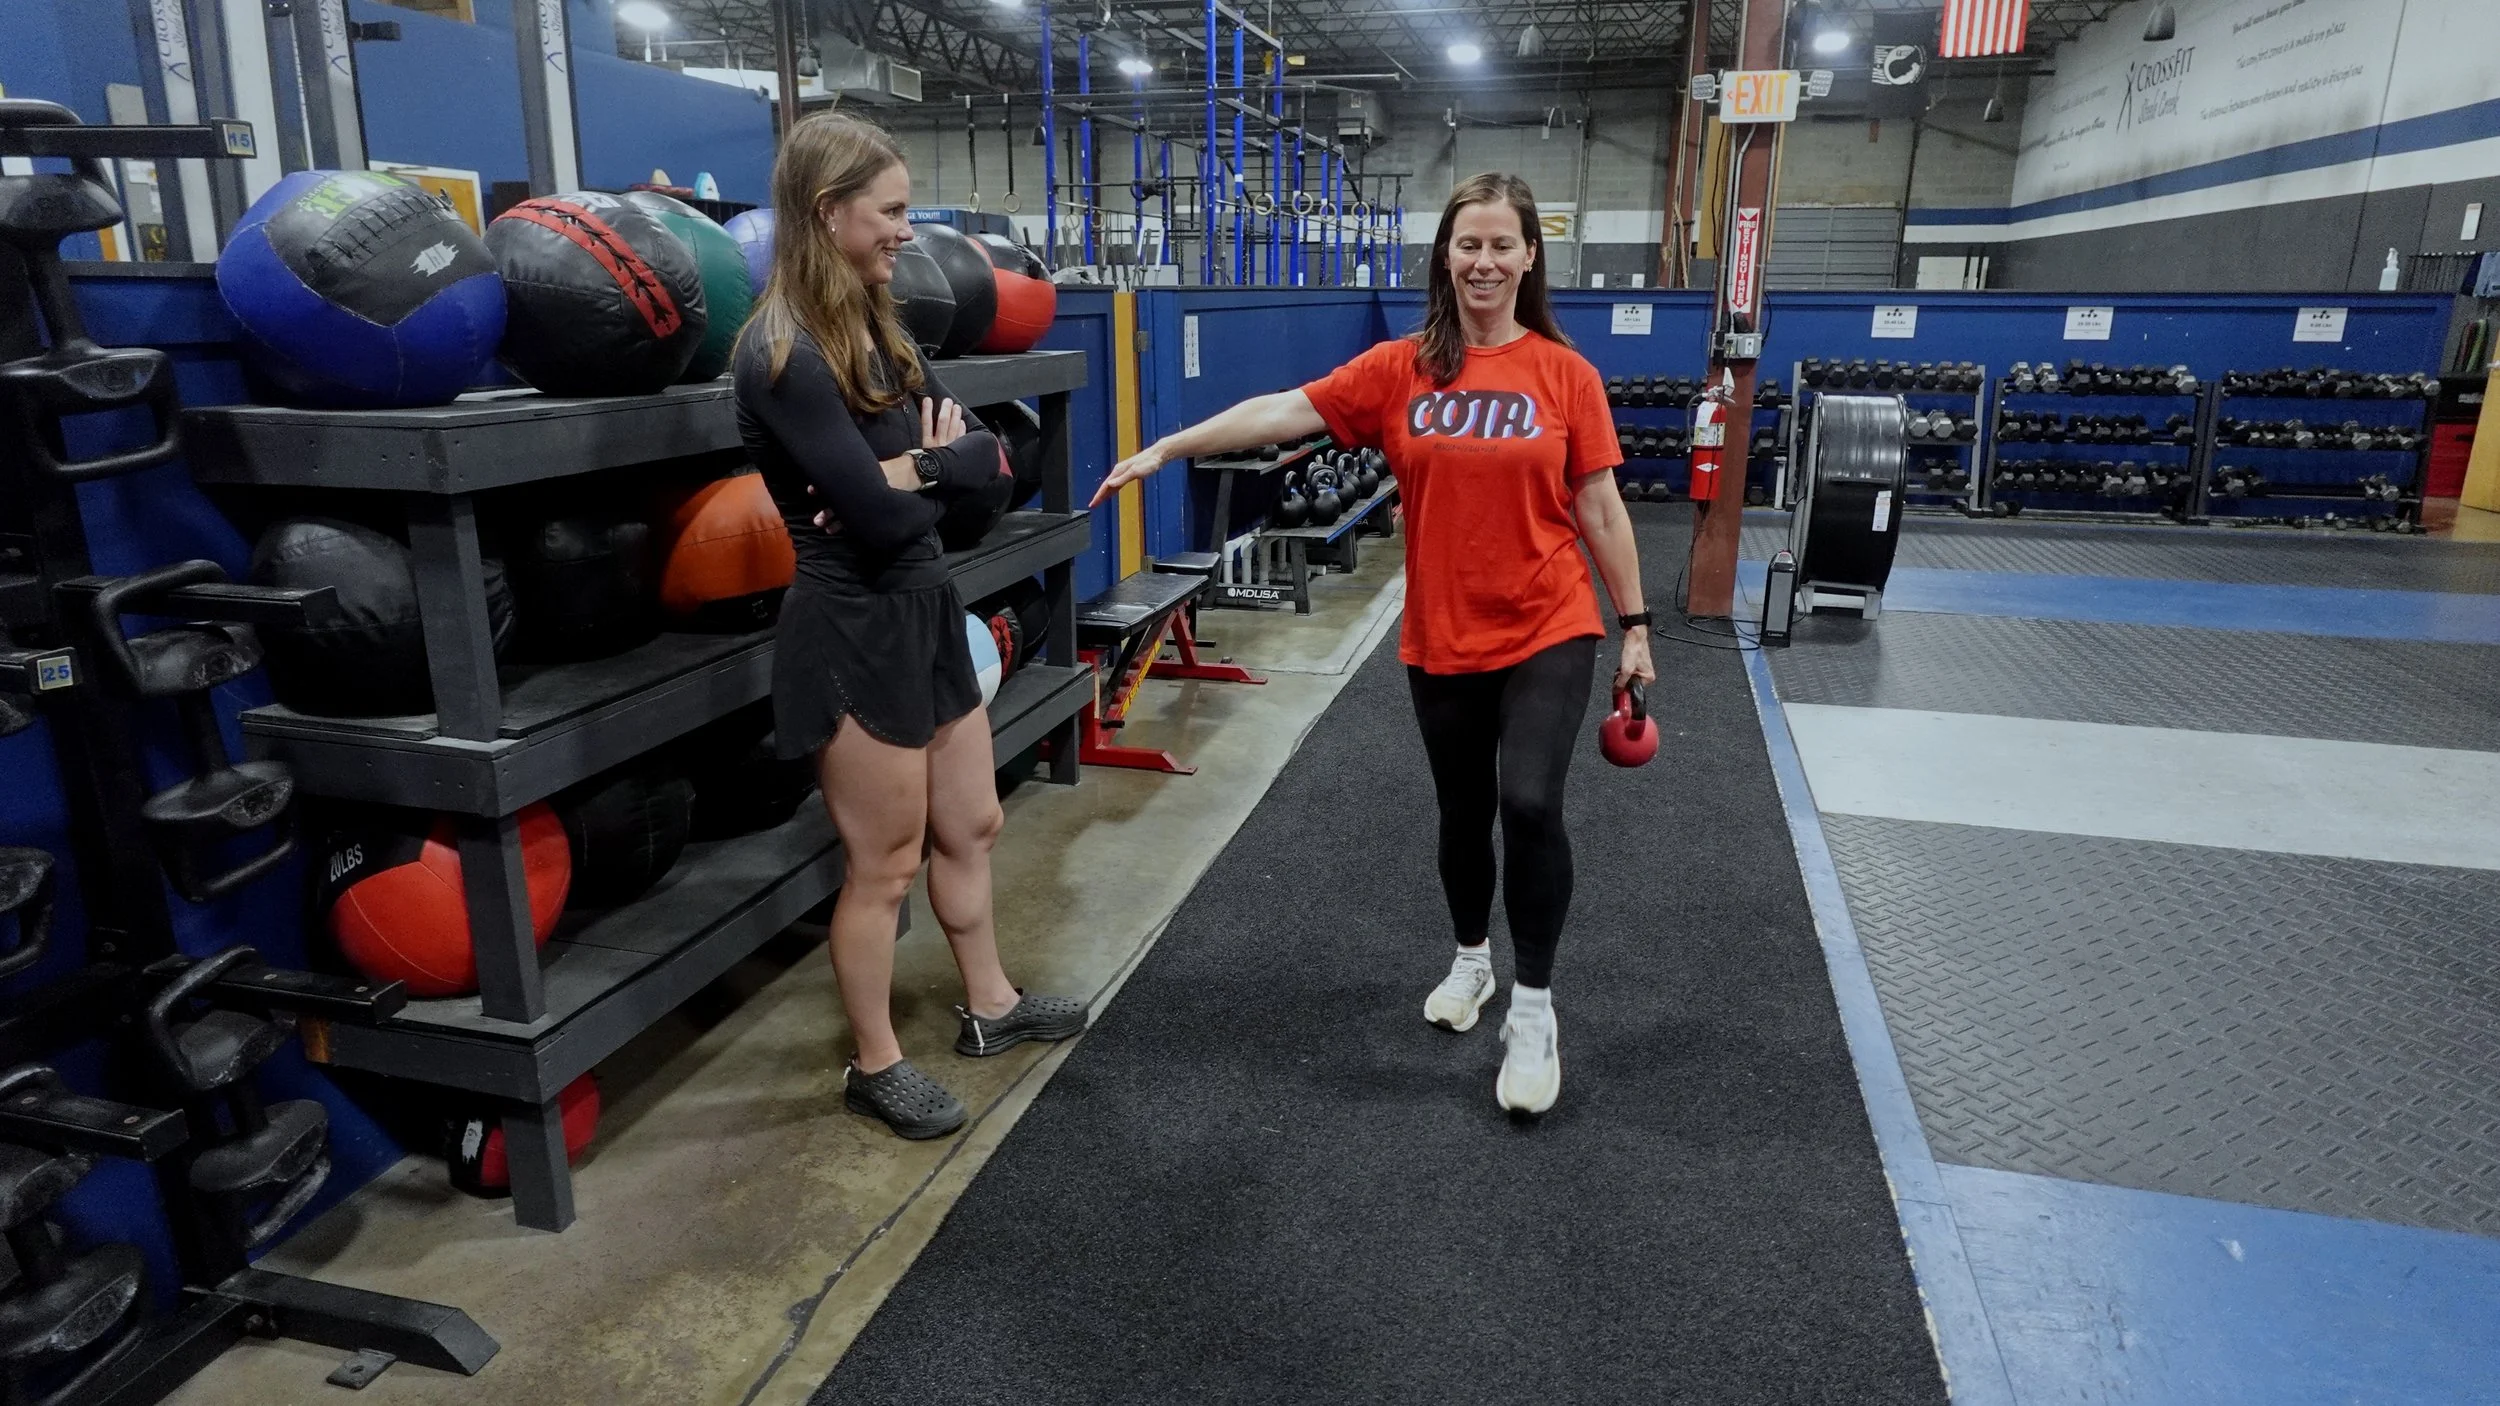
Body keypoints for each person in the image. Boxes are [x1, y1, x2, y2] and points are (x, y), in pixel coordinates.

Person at [1094, 172, 1653, 1115]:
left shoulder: (1565, 374)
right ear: (1446, 254)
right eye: (1467, 243)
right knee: (1461, 810)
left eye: (1501, 244)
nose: (1483, 260)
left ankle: (1534, 1009)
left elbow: (1598, 503)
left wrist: (1637, 627)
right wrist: (1169, 446)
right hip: (1441, 631)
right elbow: (1283, 410)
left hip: (1549, 619)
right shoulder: (1402, 367)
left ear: (1528, 256)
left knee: (1527, 802)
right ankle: (1472, 961)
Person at [735, 112, 1087, 1140]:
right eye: (888, 211)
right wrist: (932, 470)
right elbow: (889, 512)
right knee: (883, 864)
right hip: (850, 623)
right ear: (827, 212)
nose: (904, 229)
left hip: (931, 605)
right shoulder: (780, 351)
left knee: (972, 822)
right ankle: (875, 1061)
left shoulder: (886, 326)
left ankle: (990, 1005)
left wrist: (922, 470)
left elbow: (989, 474)